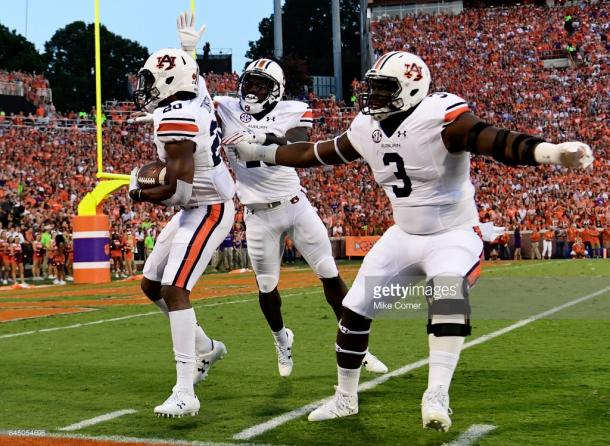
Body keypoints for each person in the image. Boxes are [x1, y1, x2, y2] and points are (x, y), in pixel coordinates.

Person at [229, 51, 593, 430]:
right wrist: (265, 152)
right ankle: (345, 398)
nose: (373, 98)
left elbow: (495, 141)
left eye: (384, 90)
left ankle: (437, 394)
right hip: (403, 236)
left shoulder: (440, 118)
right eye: (372, 88)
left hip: (452, 235)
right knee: (354, 309)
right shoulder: (366, 126)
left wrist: (550, 153)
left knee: (447, 293)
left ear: (411, 89)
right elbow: (314, 153)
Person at [211, 53, 387, 377]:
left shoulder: (293, 110)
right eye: (249, 82)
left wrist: (266, 140)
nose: (252, 90)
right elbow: (195, 109)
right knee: (266, 288)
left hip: (294, 205)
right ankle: (281, 341)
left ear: (276, 90)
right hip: (257, 213)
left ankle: (357, 347)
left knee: (330, 274)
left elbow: (298, 144)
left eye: (261, 86)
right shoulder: (225, 106)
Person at [129, 45, 236, 418]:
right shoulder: (193, 101)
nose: (143, 88)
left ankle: (185, 390)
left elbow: (179, 193)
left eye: (149, 80)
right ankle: (206, 346)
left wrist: (139, 191)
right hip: (196, 205)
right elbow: (199, 84)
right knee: (151, 286)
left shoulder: (175, 119)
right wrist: (186, 47)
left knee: (175, 290)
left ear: (169, 82)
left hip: (208, 207)